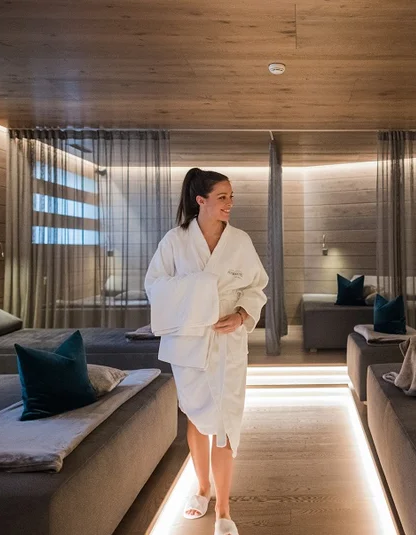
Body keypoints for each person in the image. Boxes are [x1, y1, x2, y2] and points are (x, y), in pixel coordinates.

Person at [145, 168, 268, 535]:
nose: (230, 203)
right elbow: (155, 285)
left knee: (226, 425)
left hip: (228, 343)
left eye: (231, 196)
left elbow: (257, 286)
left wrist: (243, 313)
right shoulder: (175, 241)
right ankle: (201, 489)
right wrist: (201, 288)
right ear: (201, 201)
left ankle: (224, 510)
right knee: (197, 419)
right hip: (190, 342)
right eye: (222, 197)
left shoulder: (240, 242)